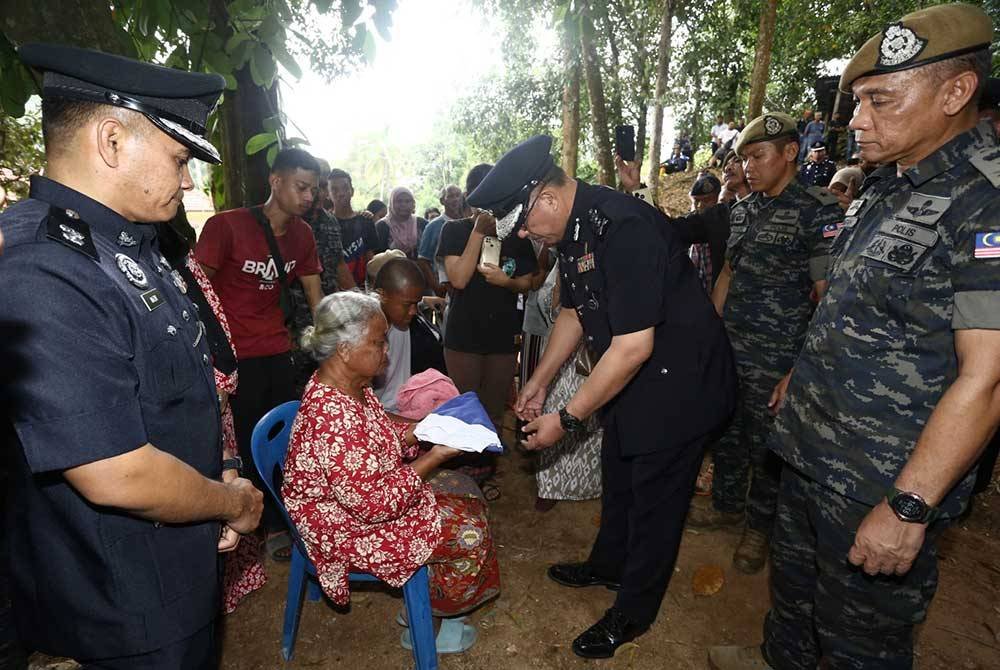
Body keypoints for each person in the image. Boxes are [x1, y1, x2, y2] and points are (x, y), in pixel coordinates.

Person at [709, 5, 999, 668]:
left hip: (880, 477)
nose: (855, 120)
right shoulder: (884, 186)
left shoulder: (986, 204)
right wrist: (798, 375)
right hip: (811, 450)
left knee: (858, 644)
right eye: (857, 100)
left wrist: (909, 505)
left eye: (879, 100)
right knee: (794, 603)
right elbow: (841, 304)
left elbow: (987, 379)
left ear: (956, 93)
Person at [0, 42, 263, 668]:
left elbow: (180, 390)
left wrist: (217, 473)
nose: (189, 178)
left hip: (173, 571)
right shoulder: (46, 269)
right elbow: (113, 471)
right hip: (122, 608)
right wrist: (232, 502)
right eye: (178, 157)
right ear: (112, 141)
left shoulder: (128, 244)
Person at [470, 135, 737, 659]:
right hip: (633, 379)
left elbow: (635, 344)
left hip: (679, 386)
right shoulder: (575, 230)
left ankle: (633, 612)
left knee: (655, 502)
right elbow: (575, 311)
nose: (526, 235)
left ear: (546, 199)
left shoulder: (625, 226)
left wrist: (565, 420)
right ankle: (608, 564)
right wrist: (541, 380)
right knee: (619, 474)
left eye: (524, 224)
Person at [282, 292, 500, 653]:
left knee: (462, 489)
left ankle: (431, 593)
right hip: (343, 527)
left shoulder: (349, 386)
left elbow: (378, 434)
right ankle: (431, 621)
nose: (387, 350)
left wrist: (423, 427)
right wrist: (435, 457)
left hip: (358, 500)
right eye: (378, 341)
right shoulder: (333, 419)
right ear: (344, 349)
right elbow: (375, 505)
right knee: (468, 530)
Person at [691, 113, 842, 576]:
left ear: (791, 152)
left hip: (780, 355)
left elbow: (827, 296)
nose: (748, 167)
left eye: (758, 156)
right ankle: (726, 505)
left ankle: (759, 527)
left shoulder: (820, 210)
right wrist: (709, 337)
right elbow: (728, 274)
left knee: (769, 446)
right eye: (743, 158)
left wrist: (801, 366)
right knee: (728, 429)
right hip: (732, 346)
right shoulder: (744, 209)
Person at [195, 147, 324, 562]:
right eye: (301, 187)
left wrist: (335, 341)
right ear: (276, 181)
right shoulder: (226, 227)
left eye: (313, 190)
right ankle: (259, 526)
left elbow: (315, 297)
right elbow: (196, 292)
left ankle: (288, 518)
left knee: (288, 438)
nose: (308, 197)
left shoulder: (303, 236)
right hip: (236, 358)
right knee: (248, 443)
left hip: (278, 351)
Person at [439, 164, 539, 450]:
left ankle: (488, 468)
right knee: (463, 410)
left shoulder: (516, 236)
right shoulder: (454, 230)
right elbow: (458, 279)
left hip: (502, 336)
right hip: (463, 336)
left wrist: (507, 282)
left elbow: (528, 282)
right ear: (471, 198)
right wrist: (478, 232)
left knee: (494, 411)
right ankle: (463, 474)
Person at [532, 261, 603, 512]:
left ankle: (590, 485)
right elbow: (551, 309)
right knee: (556, 413)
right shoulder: (569, 258)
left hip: (603, 352)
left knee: (594, 419)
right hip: (562, 352)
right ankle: (550, 487)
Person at [290, 160, 356, 395]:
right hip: (293, 322)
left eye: (325, 180)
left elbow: (339, 265)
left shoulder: (330, 221)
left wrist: (359, 300)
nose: (321, 185)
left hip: (326, 316)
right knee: (297, 387)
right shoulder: (290, 220)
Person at [372, 257, 447, 414]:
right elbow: (362, 409)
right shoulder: (364, 336)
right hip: (374, 416)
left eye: (416, 303)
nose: (413, 312)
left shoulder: (402, 324)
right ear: (382, 296)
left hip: (399, 409)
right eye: (408, 305)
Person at [418, 184, 468, 298]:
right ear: (442, 201)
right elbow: (423, 260)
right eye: (450, 196)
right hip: (445, 287)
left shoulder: (468, 222)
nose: (455, 199)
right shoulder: (433, 226)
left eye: (458, 195)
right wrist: (436, 287)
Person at [336, 172, 382, 287]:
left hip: (361, 289)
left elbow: (371, 261)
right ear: (328, 193)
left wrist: (372, 292)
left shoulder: (365, 220)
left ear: (352, 191)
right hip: (335, 293)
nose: (340, 193)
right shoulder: (325, 224)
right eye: (334, 189)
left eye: (345, 188)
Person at [688, 172, 725, 293]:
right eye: (697, 201)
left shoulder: (728, 225)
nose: (701, 205)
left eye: (707, 200)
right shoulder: (695, 229)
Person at [376, 186, 428, 258]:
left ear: (413, 204)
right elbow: (378, 255)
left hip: (419, 268)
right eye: (399, 201)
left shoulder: (421, 223)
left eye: (407, 201)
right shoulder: (382, 226)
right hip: (390, 267)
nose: (403, 205)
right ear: (391, 203)